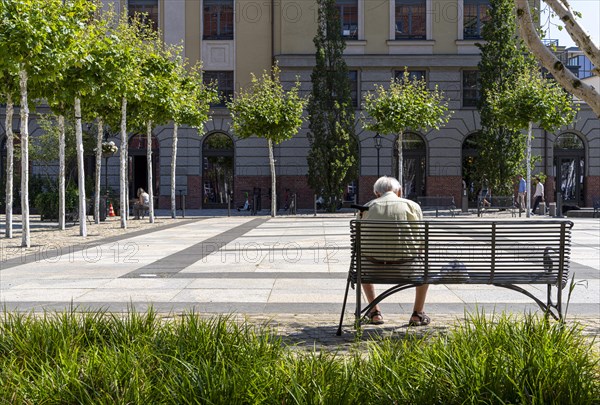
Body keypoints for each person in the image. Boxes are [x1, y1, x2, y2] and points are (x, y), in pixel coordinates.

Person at [359, 176, 430, 327]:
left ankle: (375, 313)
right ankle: (417, 314)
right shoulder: (412, 206)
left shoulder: (366, 207)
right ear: (399, 192)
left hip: (373, 269)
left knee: (362, 264)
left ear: (377, 194)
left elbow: (359, 244)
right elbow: (422, 241)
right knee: (425, 268)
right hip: (407, 269)